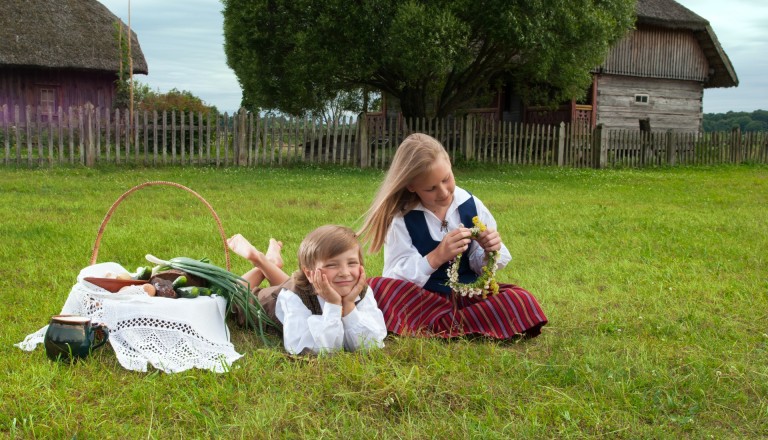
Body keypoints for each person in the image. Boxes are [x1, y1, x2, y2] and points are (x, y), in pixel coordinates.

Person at [358, 133, 547, 339]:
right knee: (378, 288)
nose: (443, 192)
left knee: (520, 299)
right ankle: (462, 326)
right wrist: (436, 257)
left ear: (449, 162)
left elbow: (484, 267)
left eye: (446, 179)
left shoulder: (470, 204)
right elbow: (394, 277)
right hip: (423, 301)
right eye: (430, 188)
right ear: (411, 186)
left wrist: (490, 250)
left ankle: (437, 327)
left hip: (469, 297)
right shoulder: (402, 218)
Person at [226, 225, 387, 355]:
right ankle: (259, 259)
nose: (345, 272)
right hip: (268, 304)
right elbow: (310, 348)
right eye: (332, 265)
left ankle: (269, 263)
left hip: (302, 288)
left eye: (352, 263)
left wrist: (349, 306)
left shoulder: (360, 290)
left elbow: (373, 342)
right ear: (310, 273)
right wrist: (333, 305)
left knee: (295, 286)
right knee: (231, 294)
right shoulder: (294, 296)